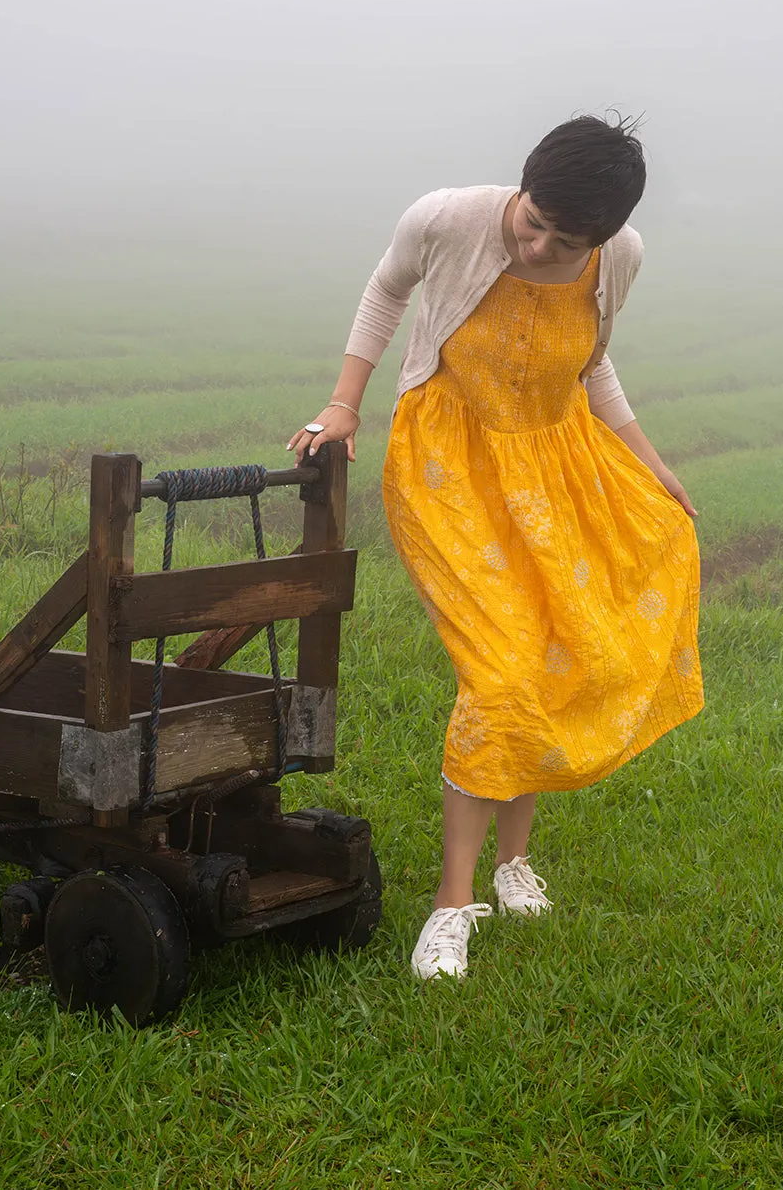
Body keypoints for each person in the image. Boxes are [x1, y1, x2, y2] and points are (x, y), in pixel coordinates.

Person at [288, 115, 703, 981]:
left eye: (568, 238)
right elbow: (384, 292)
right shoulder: (446, 218)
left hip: (558, 462)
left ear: (607, 235)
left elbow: (592, 364)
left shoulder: (620, 257)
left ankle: (515, 864)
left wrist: (653, 466)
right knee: (501, 669)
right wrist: (342, 405)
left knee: (559, 655)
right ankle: (451, 906)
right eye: (536, 220)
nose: (544, 244)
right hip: (450, 467)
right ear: (523, 187)